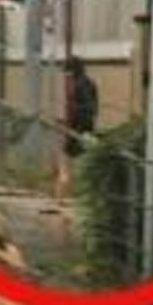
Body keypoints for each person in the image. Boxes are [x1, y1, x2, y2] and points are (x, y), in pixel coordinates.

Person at [54, 56, 98, 199]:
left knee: (65, 159)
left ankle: (61, 195)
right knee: (82, 159)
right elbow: (93, 108)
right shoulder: (90, 83)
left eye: (67, 72)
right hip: (88, 128)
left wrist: (70, 126)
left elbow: (78, 108)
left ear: (72, 71)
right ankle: (74, 193)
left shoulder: (77, 86)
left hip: (77, 128)